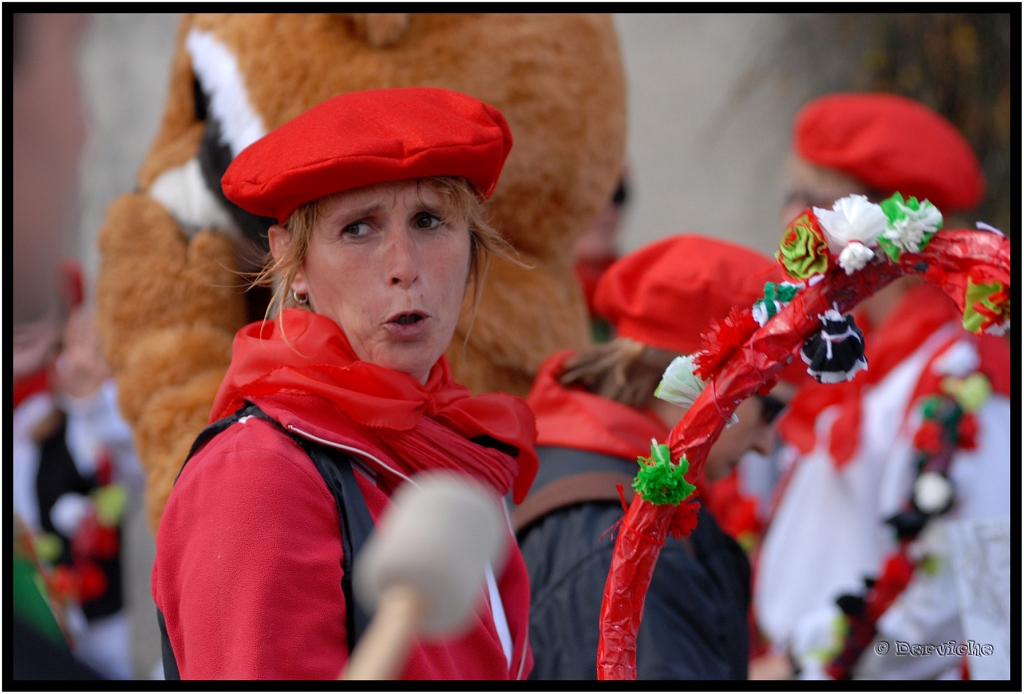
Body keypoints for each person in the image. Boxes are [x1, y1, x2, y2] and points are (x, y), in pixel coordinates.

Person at [152, 87, 538, 680]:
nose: (403, 263)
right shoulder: (259, 473)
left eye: (430, 220)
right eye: (358, 228)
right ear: (293, 263)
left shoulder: (451, 443)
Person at [754, 93, 1011, 679]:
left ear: (877, 223)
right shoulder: (852, 357)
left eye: (810, 200)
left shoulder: (960, 377)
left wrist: (806, 666)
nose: (788, 220)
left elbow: (970, 604)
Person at [514, 234, 799, 680]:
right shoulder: (634, 539)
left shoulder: (565, 456)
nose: (766, 445)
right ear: (700, 385)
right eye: (769, 410)